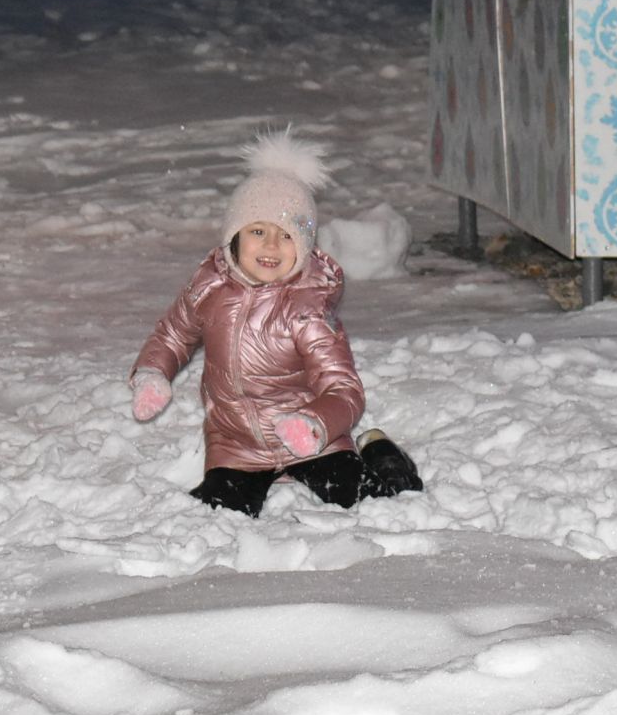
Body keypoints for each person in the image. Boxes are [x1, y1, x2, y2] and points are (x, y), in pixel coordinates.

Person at [129, 129, 422, 518]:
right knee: (218, 513)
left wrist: (314, 424)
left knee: (365, 501)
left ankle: (383, 454)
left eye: (286, 235)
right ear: (234, 235)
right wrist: (153, 372)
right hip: (236, 444)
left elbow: (344, 389)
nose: (270, 246)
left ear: (303, 247)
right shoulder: (209, 287)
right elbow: (173, 333)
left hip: (311, 440)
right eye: (257, 231)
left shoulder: (308, 309)